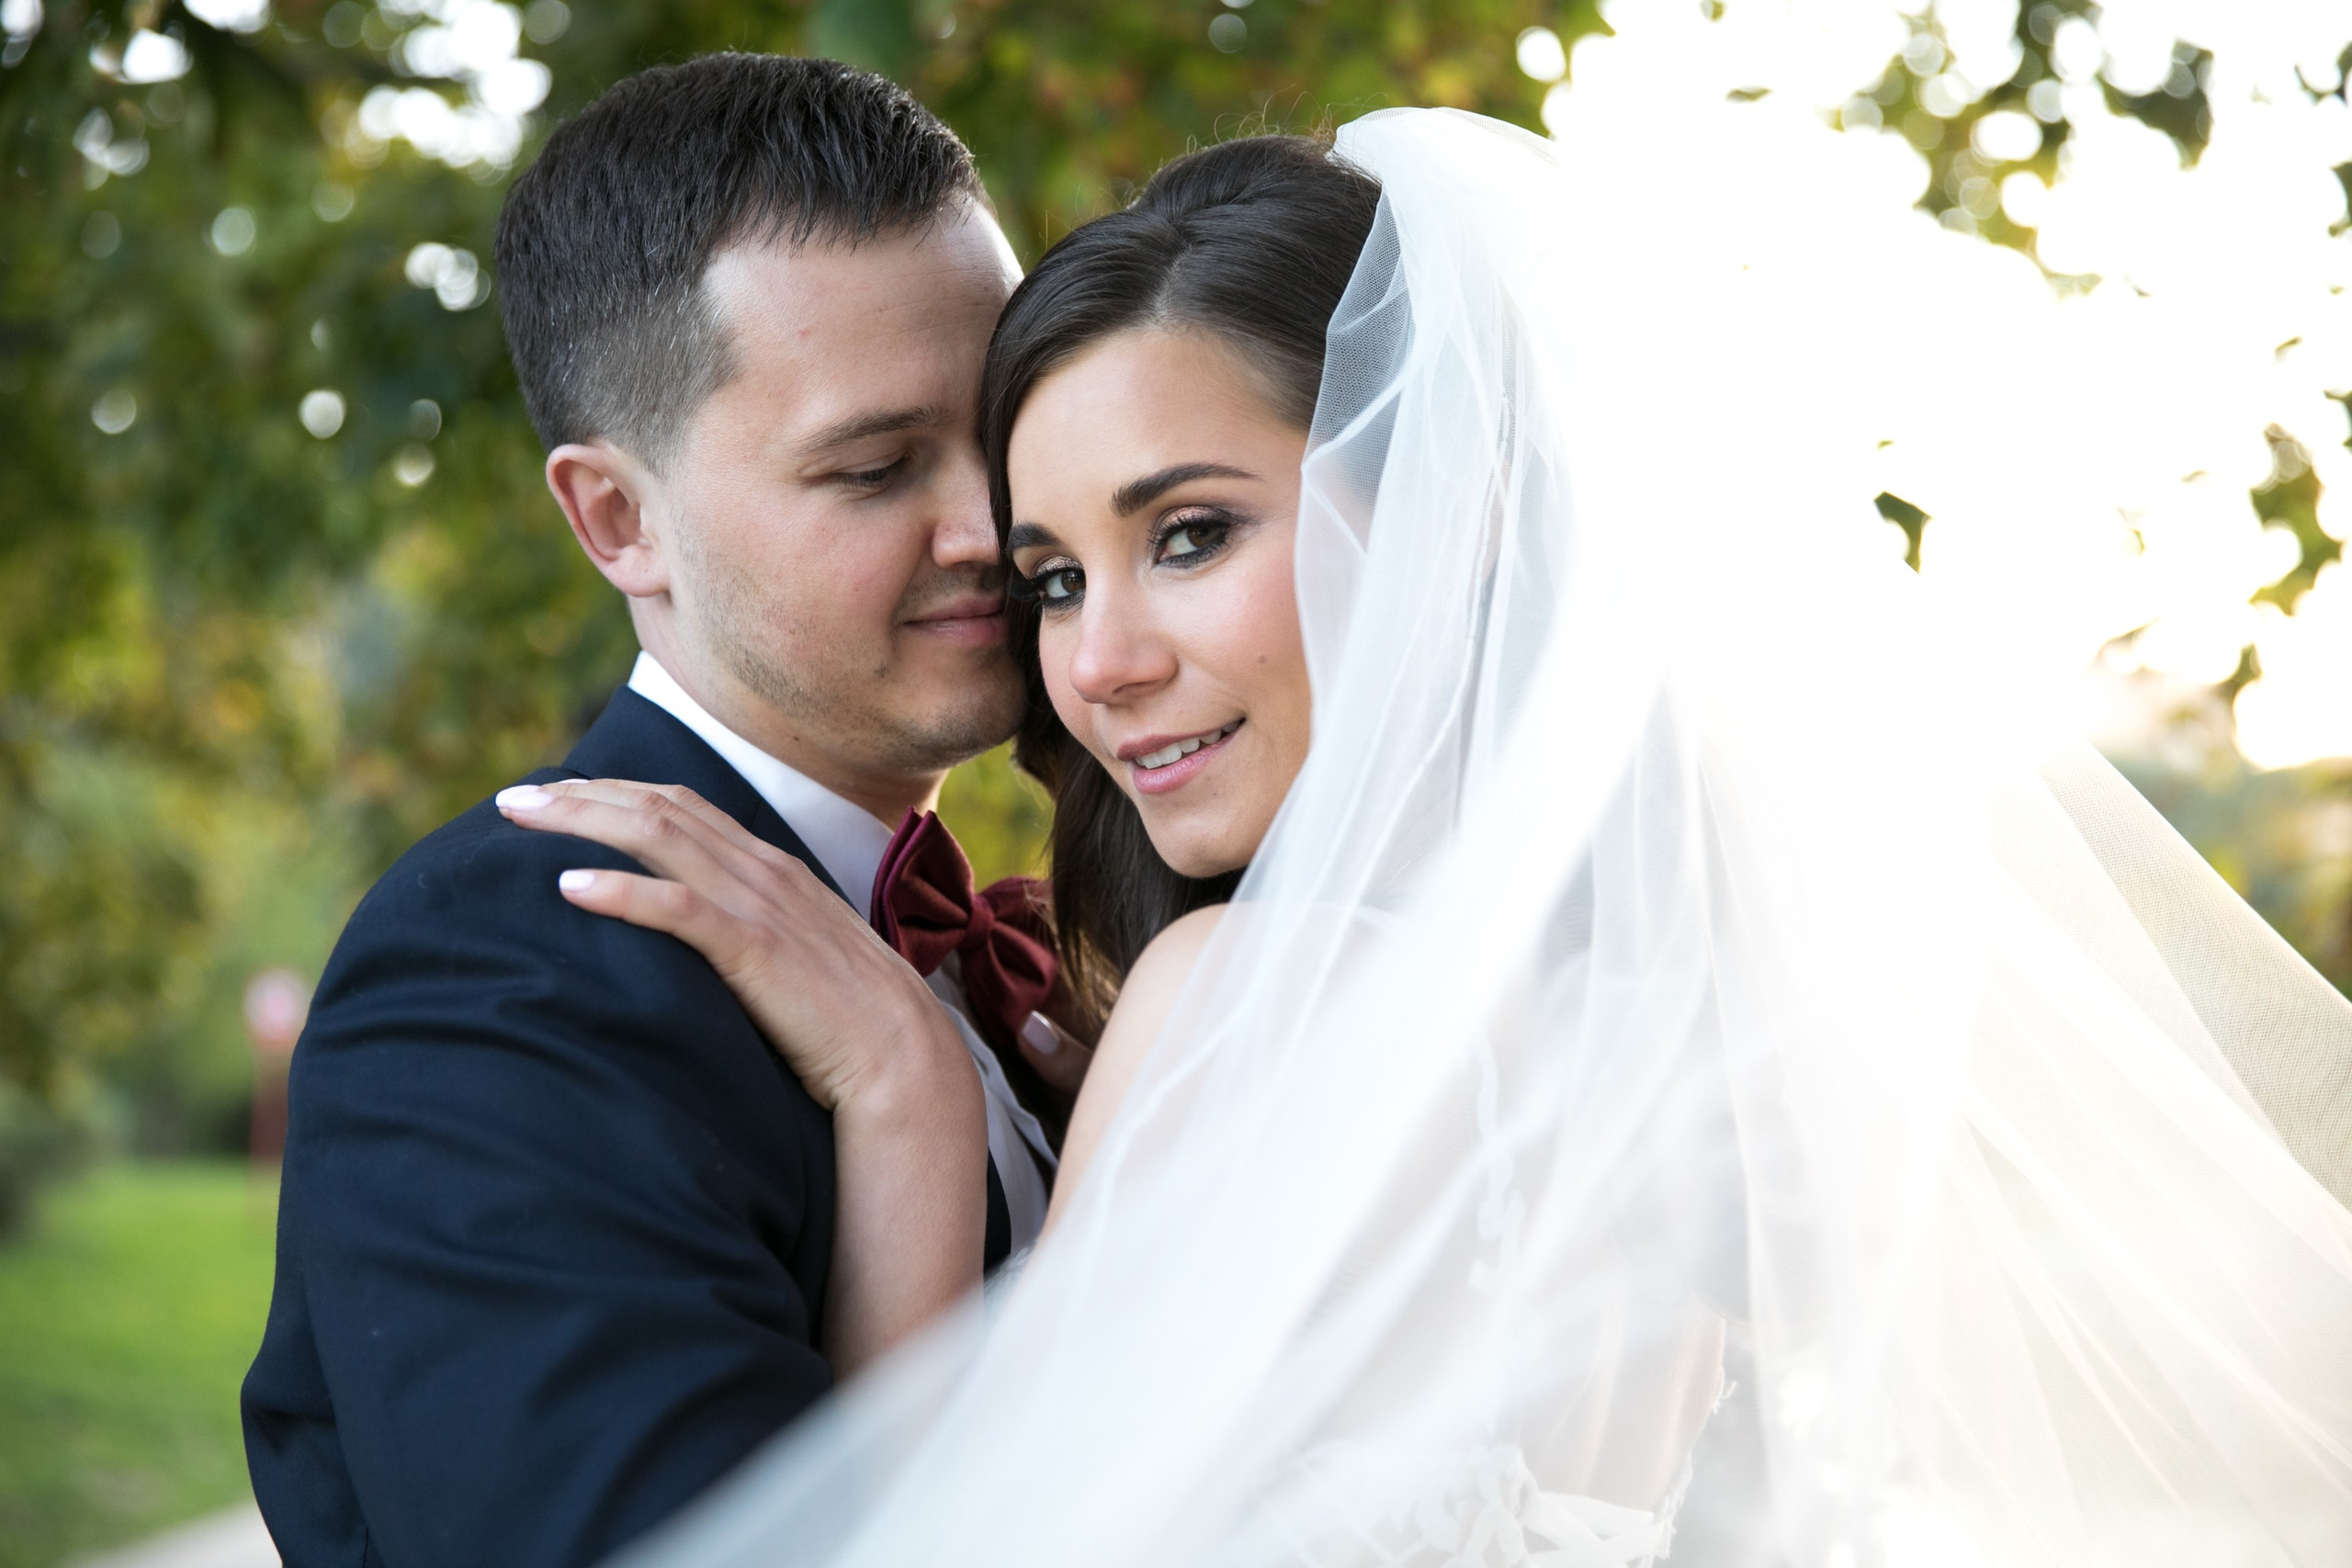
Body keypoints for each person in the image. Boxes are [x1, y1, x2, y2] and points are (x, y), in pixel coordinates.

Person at [513, 108, 2352, 1565]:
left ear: (1455, 512)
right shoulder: (1705, 1029)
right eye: (1059, 572)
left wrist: (911, 1099)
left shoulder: (1227, 994)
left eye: (1189, 534)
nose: (1094, 659)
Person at [242, 54, 1083, 1568]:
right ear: (621, 521)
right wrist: (903, 1085)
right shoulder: (503, 980)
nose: (991, 527)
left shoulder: (1047, 957)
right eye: (879, 465)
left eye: (1007, 428)